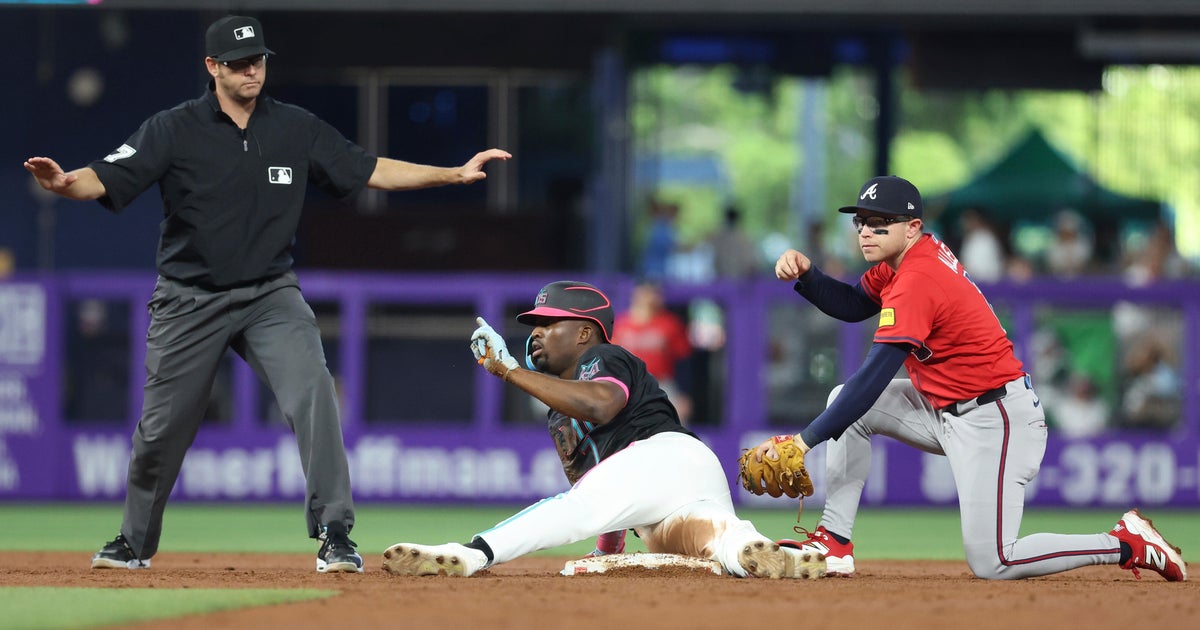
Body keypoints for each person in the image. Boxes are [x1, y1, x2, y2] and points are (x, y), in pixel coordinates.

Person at [24, 15, 510, 574]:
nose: (251, 68)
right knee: (162, 428)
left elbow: (369, 169)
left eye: (257, 58)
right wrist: (64, 183)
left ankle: (335, 534)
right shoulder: (173, 128)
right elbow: (106, 175)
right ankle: (134, 542)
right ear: (212, 68)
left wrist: (451, 174)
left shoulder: (295, 127)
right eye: (237, 62)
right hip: (189, 298)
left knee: (314, 395)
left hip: (268, 295)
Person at [751, 176, 1186, 581]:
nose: (866, 231)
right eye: (862, 222)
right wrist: (809, 276)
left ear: (912, 226)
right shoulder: (903, 259)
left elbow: (874, 376)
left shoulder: (918, 277)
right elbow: (851, 305)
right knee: (844, 400)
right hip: (946, 407)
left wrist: (803, 441)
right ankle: (834, 542)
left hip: (996, 420)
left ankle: (1125, 544)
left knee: (994, 560)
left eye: (880, 223)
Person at [381, 281, 823, 579]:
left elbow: (602, 404)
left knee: (570, 508)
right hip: (681, 481)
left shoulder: (605, 358)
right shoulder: (559, 408)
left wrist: (511, 372)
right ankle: (757, 550)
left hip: (661, 455)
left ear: (584, 333)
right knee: (705, 541)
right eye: (535, 325)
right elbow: (607, 486)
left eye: (549, 323)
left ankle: (472, 552)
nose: (536, 333)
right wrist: (609, 546)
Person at [611, 280, 693, 424]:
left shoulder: (669, 323)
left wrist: (683, 394)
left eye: (655, 293)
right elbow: (611, 361)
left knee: (676, 427)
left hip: (661, 383)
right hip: (628, 385)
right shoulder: (621, 324)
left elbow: (684, 360)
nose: (652, 297)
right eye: (647, 293)